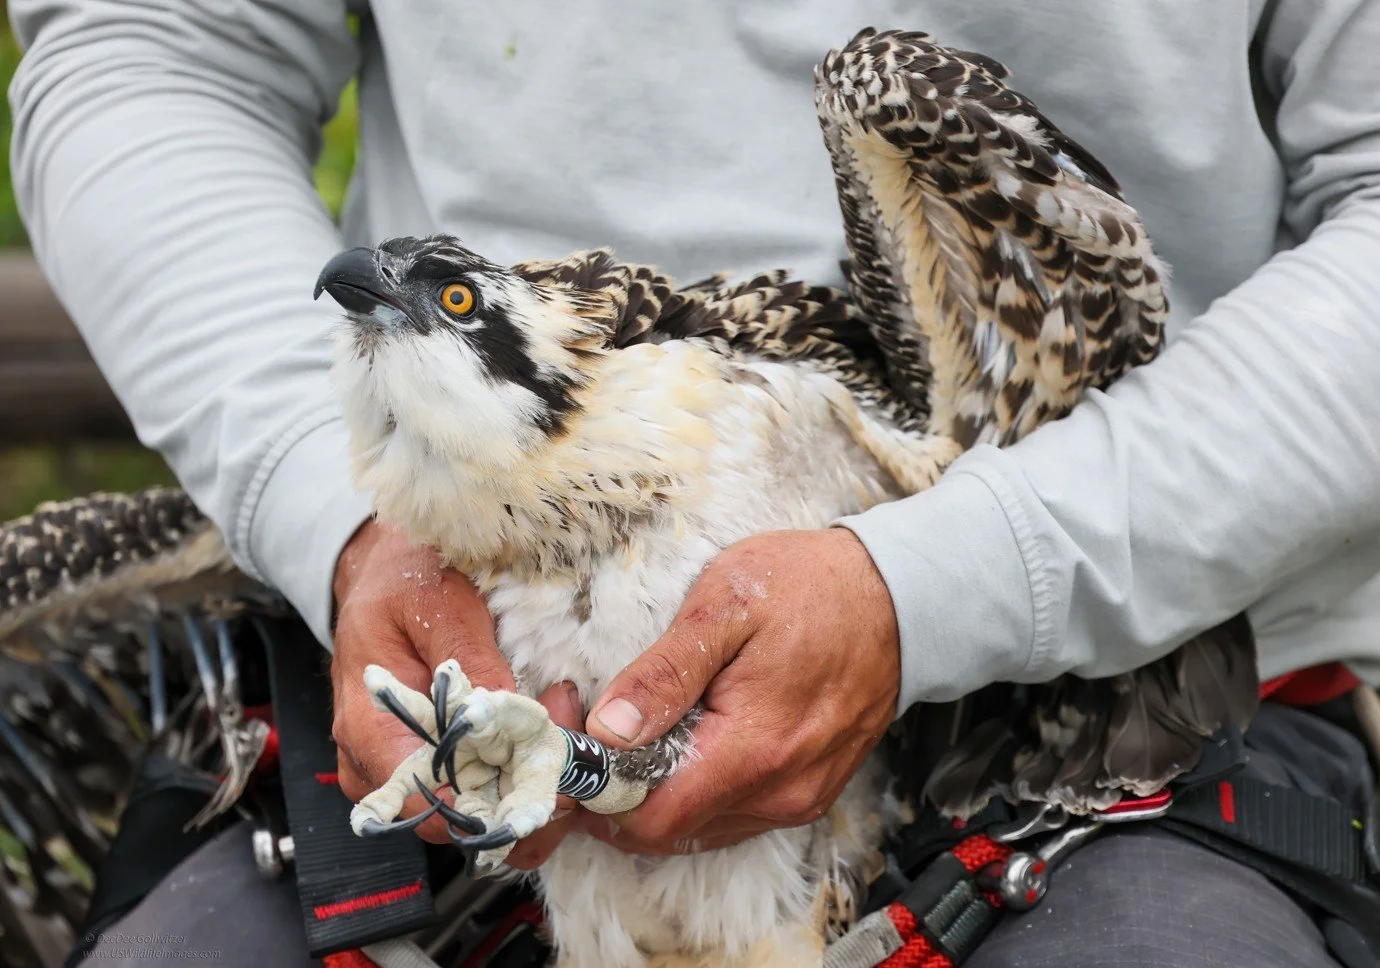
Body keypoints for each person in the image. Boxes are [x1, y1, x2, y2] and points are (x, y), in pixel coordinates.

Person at [9, 1, 1380, 966]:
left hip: (1118, 698)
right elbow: (154, 46)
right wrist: (344, 518)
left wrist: (949, 586)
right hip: (424, 692)